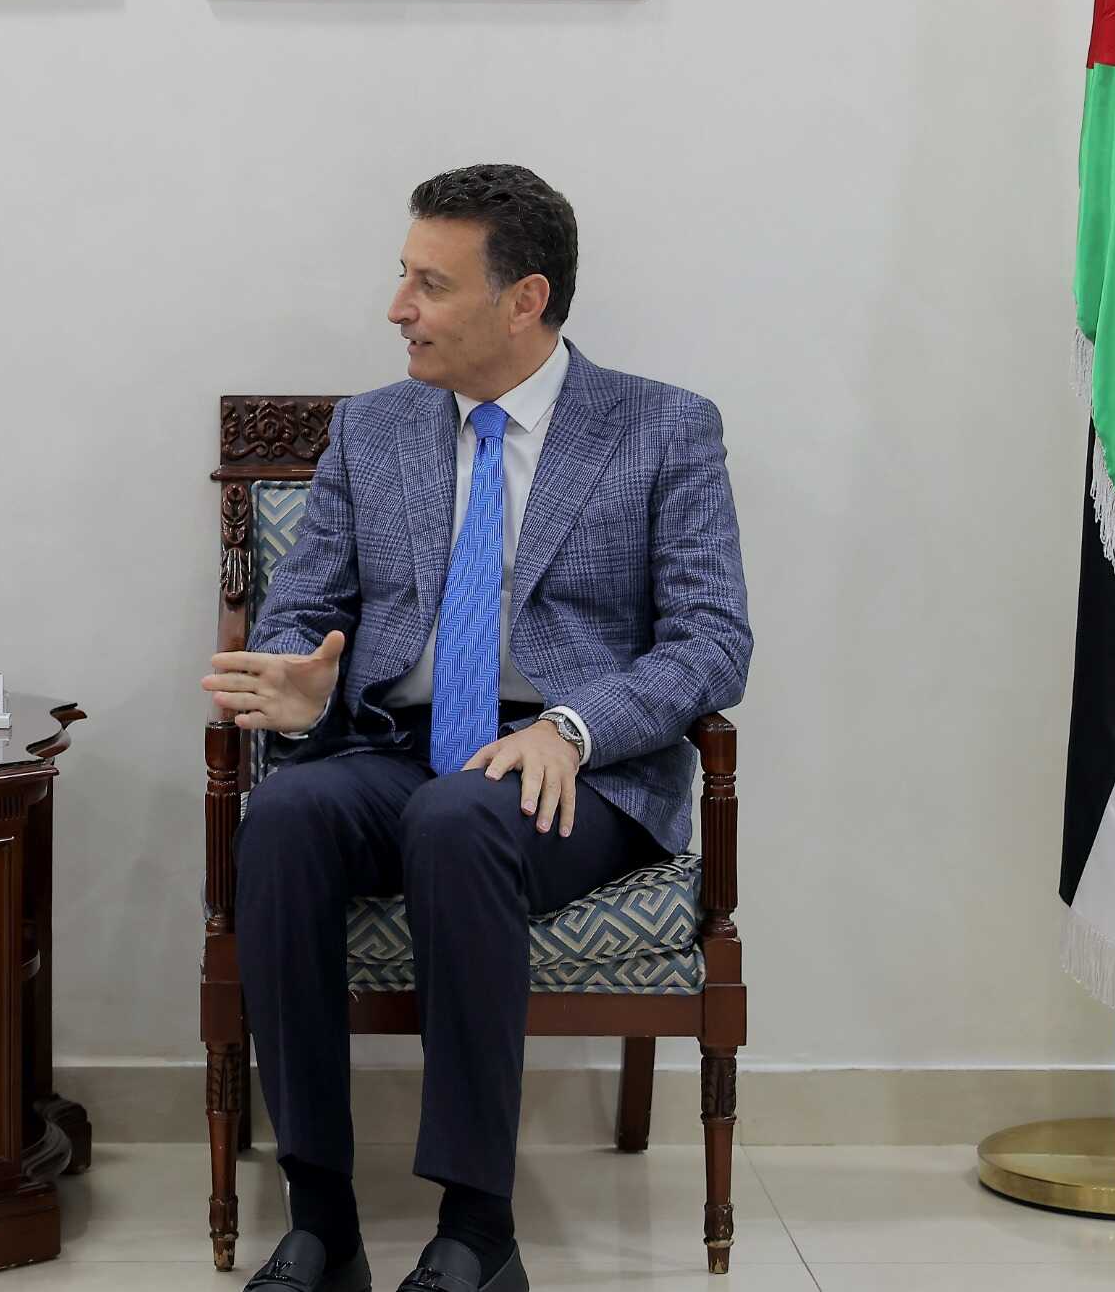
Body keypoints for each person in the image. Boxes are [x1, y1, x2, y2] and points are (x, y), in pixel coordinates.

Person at [203, 165, 749, 1292]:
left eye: (430, 283)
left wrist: (573, 724)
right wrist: (304, 684)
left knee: (459, 821)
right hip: (395, 745)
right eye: (402, 275)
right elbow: (304, 603)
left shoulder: (663, 428)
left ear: (523, 299)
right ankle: (322, 1224)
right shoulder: (374, 427)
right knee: (286, 816)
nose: (396, 306)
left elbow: (711, 641)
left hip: (573, 774)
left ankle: (477, 1231)